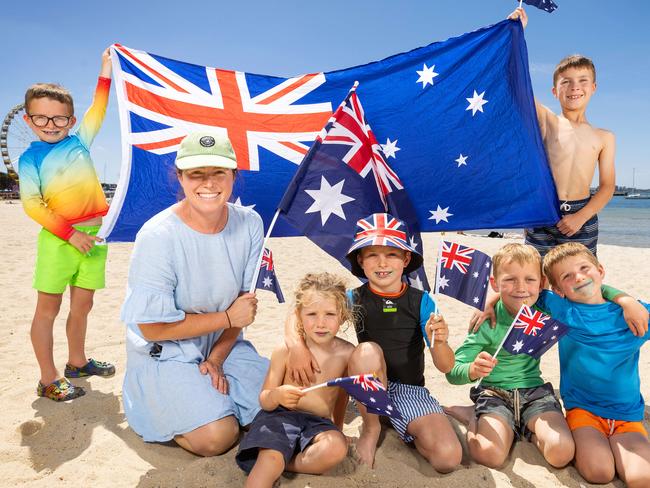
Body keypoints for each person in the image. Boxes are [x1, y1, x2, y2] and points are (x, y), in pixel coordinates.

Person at [120, 131, 269, 456]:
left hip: (224, 344)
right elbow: (151, 328)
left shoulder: (251, 223)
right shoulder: (158, 236)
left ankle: (208, 398)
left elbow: (240, 309)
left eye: (219, 172)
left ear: (233, 175)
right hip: (167, 350)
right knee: (218, 436)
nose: (209, 182)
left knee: (281, 401)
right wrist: (228, 317)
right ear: (180, 177)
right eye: (196, 173)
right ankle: (165, 402)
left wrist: (216, 357)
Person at [285, 213, 462, 472]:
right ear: (360, 260)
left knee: (447, 458)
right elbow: (298, 312)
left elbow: (445, 366)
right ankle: (372, 427)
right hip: (366, 384)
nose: (382, 263)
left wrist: (442, 342)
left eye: (391, 254)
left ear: (405, 259)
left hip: (408, 390)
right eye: (372, 255)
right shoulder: (353, 297)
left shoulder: (422, 301)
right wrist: (296, 346)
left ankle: (403, 421)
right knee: (367, 350)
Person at [19, 48, 115, 401]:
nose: (50, 125)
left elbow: (99, 108)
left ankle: (77, 361)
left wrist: (106, 68)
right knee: (48, 309)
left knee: (83, 305)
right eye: (41, 118)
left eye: (59, 119)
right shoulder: (30, 159)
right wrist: (70, 234)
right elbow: (32, 205)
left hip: (95, 238)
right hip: (60, 241)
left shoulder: (81, 142)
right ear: (29, 120)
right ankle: (48, 378)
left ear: (71, 121)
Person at [445, 244, 574, 469]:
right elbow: (452, 372)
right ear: (495, 284)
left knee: (561, 452)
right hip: (495, 395)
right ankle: (474, 414)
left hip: (535, 394)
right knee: (489, 456)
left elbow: (588, 295)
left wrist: (624, 300)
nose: (521, 288)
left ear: (542, 283)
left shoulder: (545, 311)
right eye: (510, 280)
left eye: (530, 280)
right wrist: (473, 370)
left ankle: (525, 430)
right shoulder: (487, 322)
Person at [539, 243, 650, 487]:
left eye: (584, 268)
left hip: (627, 414)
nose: (578, 277)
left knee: (642, 479)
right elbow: (521, 290)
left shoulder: (637, 314)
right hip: (584, 410)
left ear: (600, 270)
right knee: (599, 473)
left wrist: (628, 301)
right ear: (558, 289)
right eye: (567, 276)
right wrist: (492, 299)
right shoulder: (562, 309)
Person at [510, 7, 615, 257]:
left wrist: (580, 217)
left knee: (580, 284)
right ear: (555, 91)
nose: (574, 87)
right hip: (544, 211)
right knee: (539, 280)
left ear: (594, 87)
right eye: (565, 82)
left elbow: (607, 187)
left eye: (582, 80)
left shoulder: (604, 137)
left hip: (582, 215)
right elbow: (516, 83)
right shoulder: (548, 121)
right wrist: (514, 35)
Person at [236, 272, 354, 487]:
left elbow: (342, 397)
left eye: (330, 314)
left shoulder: (346, 353)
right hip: (280, 417)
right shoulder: (284, 350)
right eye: (311, 314)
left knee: (335, 449)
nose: (321, 323)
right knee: (271, 458)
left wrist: (339, 429)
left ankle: (289, 462)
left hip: (318, 423)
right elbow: (264, 398)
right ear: (299, 315)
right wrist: (277, 395)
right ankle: (272, 462)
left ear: (343, 316)